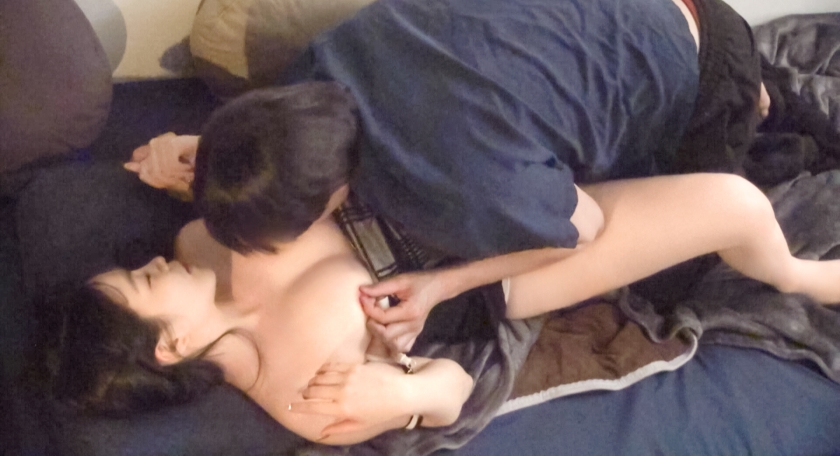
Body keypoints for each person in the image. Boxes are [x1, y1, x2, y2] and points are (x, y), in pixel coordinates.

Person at [125, 0, 768, 352]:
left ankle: (752, 96)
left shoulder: (453, 186)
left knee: (672, 287)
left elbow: (587, 227)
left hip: (703, 58)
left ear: (331, 199)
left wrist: (444, 286)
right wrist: (210, 153)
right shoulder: (319, 66)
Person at [36, 171, 840, 446]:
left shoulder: (199, 235)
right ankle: (800, 277)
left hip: (441, 183)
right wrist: (407, 391)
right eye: (141, 281)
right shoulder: (301, 393)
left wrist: (198, 159)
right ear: (168, 346)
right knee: (735, 206)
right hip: (495, 270)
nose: (149, 262)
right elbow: (455, 390)